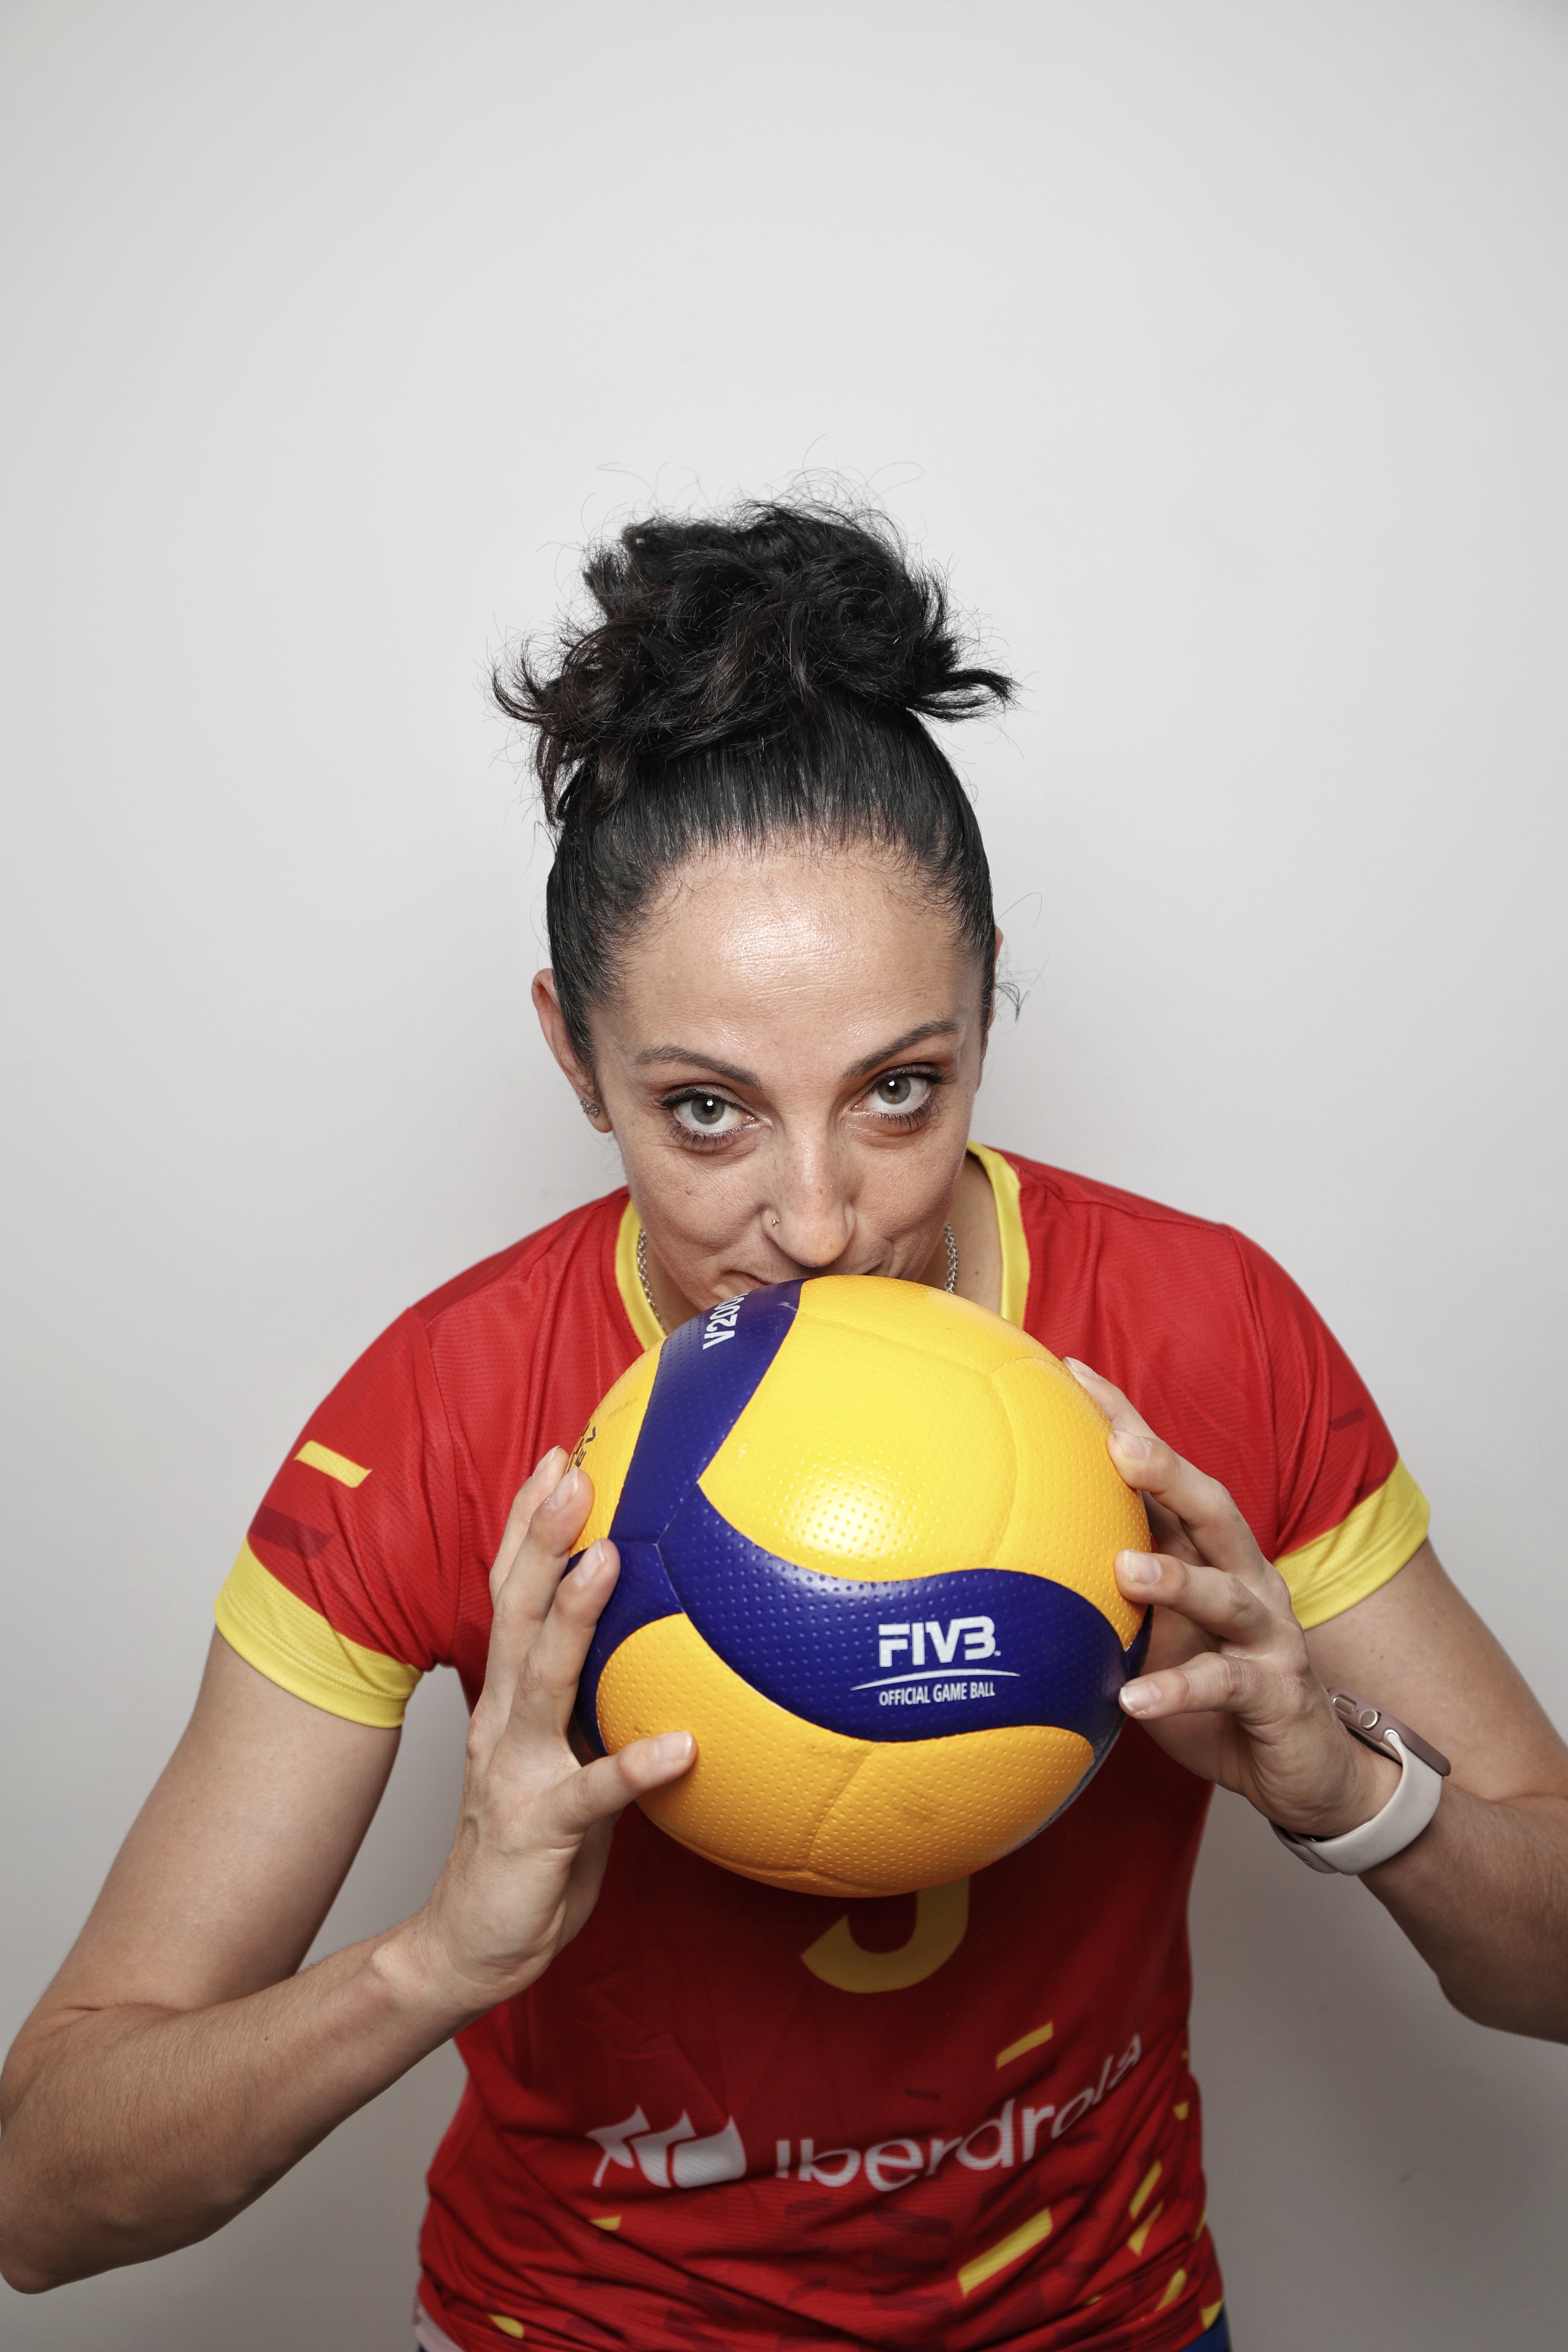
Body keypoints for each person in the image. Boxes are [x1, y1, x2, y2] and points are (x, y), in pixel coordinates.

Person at [2, 502, 1566, 2352]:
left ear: (987, 1006)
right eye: (706, 1111)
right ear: (574, 1056)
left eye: (901, 1088)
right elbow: (41, 2196)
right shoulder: (441, 1414)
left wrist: (1348, 1788)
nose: (819, 1223)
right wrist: (437, 1960)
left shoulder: (1200, 1333)